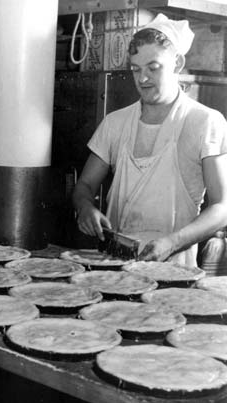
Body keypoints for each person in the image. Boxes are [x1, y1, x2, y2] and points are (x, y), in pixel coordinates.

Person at [72, 14, 227, 267]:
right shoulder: (115, 123)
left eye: (153, 68)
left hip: (174, 271)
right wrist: (85, 207)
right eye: (136, 69)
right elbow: (85, 185)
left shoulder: (204, 122)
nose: (142, 79)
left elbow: (222, 207)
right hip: (112, 267)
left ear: (177, 62)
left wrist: (172, 243)